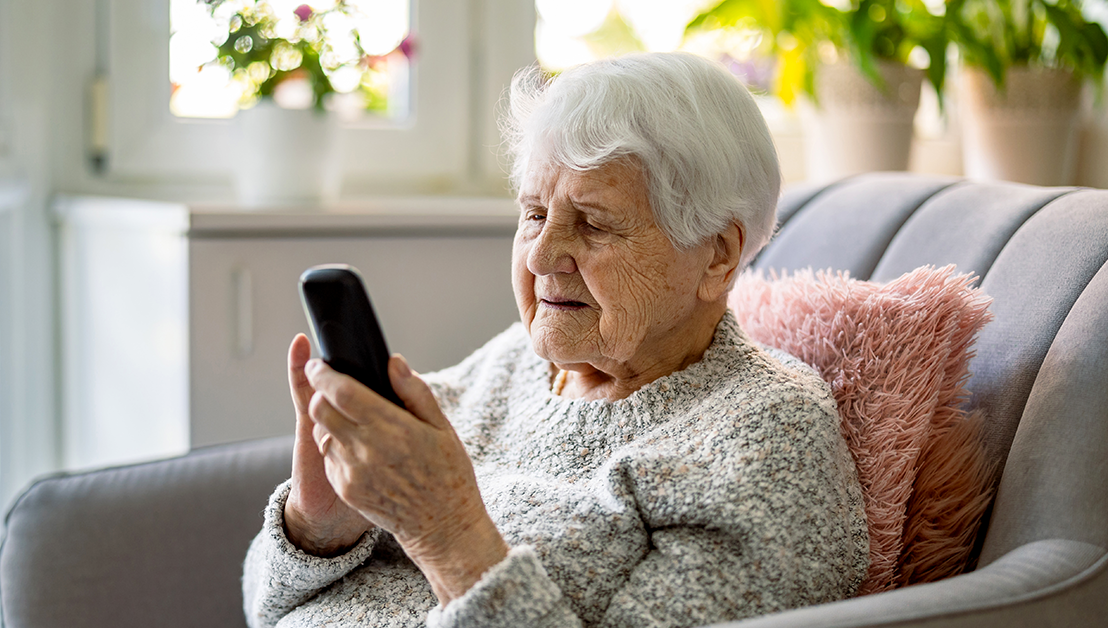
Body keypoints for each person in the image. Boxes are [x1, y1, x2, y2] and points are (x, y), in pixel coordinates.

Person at [242, 52, 869, 628]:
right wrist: (317, 525)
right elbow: (261, 607)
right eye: (535, 215)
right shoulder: (509, 363)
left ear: (718, 256)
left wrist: (446, 534)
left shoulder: (768, 438)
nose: (542, 257)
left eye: (593, 224)